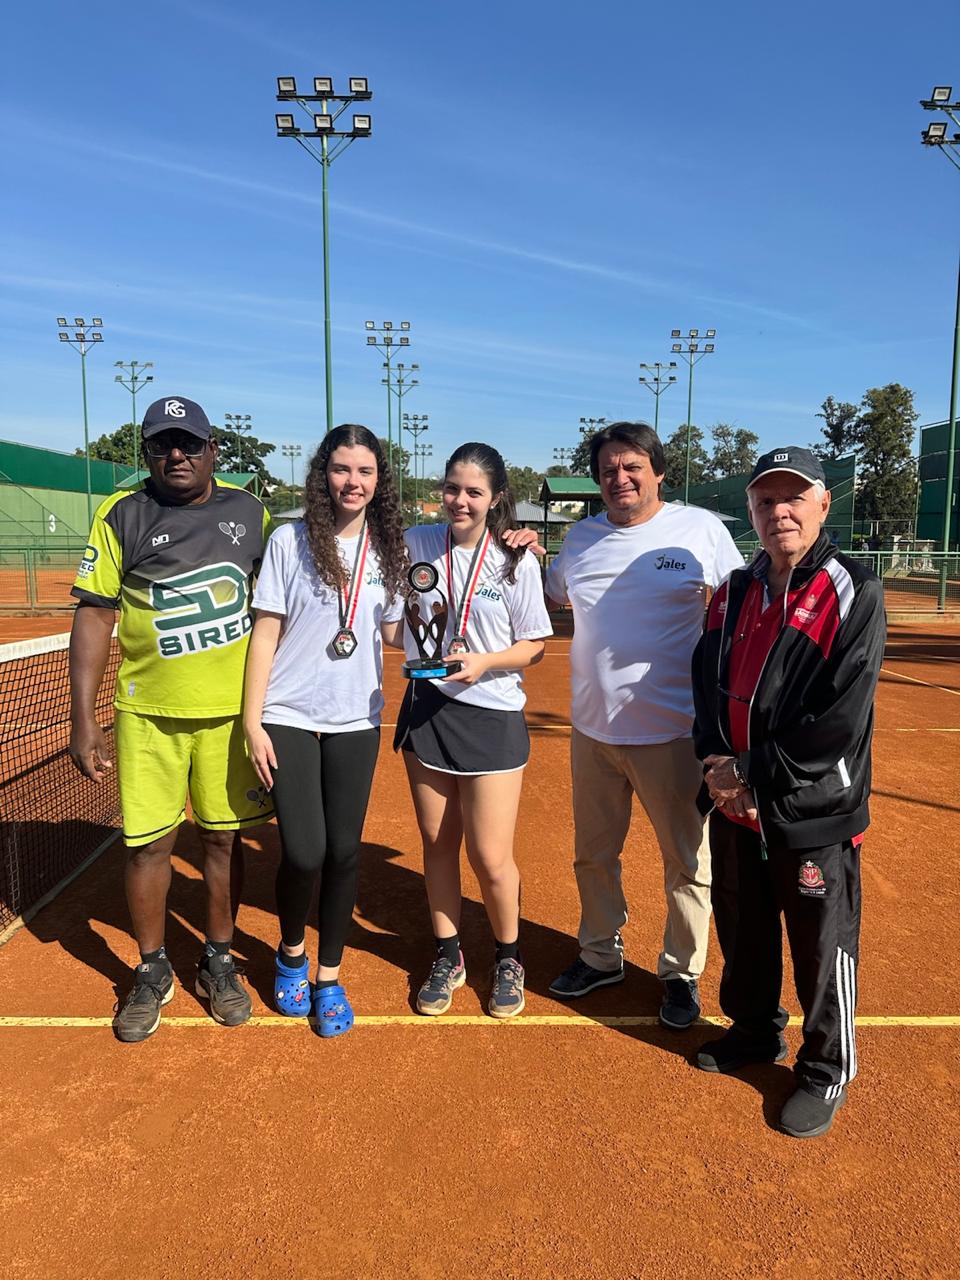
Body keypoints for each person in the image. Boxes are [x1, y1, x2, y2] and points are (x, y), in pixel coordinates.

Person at [692, 446, 885, 1139]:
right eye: (766, 500)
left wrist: (751, 773)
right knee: (742, 929)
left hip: (811, 809)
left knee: (820, 945)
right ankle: (753, 1030)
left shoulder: (852, 589)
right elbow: (706, 681)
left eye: (794, 497)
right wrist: (716, 762)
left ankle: (826, 1067)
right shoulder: (735, 589)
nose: (780, 512)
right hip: (735, 801)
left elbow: (838, 719)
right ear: (751, 511)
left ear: (823, 504)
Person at [69, 396, 273, 1043]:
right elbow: (95, 613)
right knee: (149, 846)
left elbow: (279, 608)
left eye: (188, 443)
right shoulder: (121, 513)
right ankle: (151, 968)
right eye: (162, 445)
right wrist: (82, 718)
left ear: (213, 450)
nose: (176, 455)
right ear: (148, 452)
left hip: (231, 719)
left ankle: (218, 960)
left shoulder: (251, 512)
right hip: (147, 717)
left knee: (222, 842)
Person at [545, 421, 743, 1028]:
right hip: (593, 734)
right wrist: (519, 549)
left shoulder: (700, 530)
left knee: (687, 864)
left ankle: (680, 974)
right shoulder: (580, 539)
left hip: (674, 735)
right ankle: (599, 956)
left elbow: (739, 606)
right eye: (609, 469)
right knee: (593, 856)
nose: (620, 478)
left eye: (633, 466)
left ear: (658, 472)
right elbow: (551, 596)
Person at [243, 425, 406, 1037]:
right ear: (323, 475)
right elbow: (266, 631)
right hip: (287, 712)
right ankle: (291, 952)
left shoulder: (389, 550)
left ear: (379, 481)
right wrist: (251, 720)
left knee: (343, 851)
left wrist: (437, 623)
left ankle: (329, 975)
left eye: (365, 471)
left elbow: (392, 633)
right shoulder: (289, 540)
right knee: (304, 850)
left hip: (356, 716)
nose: (352, 482)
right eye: (341, 469)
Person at [397, 442, 553, 1019]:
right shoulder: (416, 542)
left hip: (491, 715)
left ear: (495, 498)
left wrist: (484, 662)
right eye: (452, 488)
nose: (459, 501)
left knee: (489, 855)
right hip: (427, 709)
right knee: (438, 844)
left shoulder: (515, 560)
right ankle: (449, 955)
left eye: (473, 492)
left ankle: (508, 957)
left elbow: (535, 646)